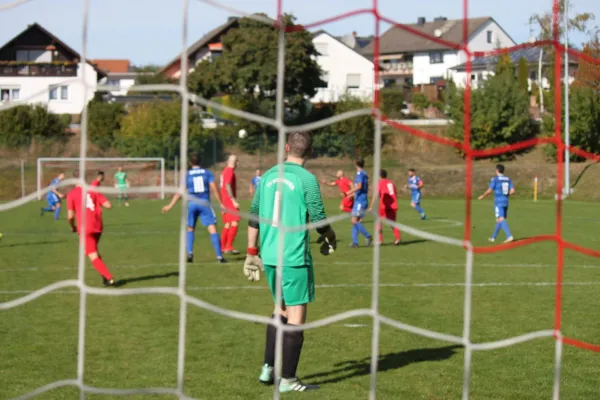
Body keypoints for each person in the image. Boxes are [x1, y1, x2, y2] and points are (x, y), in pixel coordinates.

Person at [244, 131, 336, 393]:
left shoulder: (268, 176)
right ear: (310, 152)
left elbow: (253, 216)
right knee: (296, 316)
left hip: (270, 255)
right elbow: (318, 216)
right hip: (294, 256)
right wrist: (330, 236)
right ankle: (288, 379)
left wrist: (252, 252)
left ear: (286, 148)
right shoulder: (307, 179)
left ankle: (268, 369)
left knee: (280, 310)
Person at [162, 154, 226, 263]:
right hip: (204, 203)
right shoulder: (207, 173)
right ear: (201, 162)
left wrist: (170, 205)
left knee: (190, 228)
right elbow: (215, 189)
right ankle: (219, 256)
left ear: (190, 163)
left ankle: (190, 253)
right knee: (212, 229)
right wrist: (221, 203)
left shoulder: (187, 175)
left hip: (192, 204)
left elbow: (180, 193)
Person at [66, 171, 115, 286]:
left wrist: (72, 226)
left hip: (85, 229)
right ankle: (105, 278)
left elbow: (70, 216)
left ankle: (109, 277)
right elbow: (109, 205)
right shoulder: (93, 190)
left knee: (92, 254)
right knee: (93, 251)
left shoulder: (72, 194)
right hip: (98, 227)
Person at [478, 164, 515, 243]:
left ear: (497, 170)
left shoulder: (495, 179)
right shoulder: (508, 179)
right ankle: (493, 237)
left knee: (501, 219)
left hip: (498, 202)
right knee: (499, 220)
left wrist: (483, 196)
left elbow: (490, 190)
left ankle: (509, 236)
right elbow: (512, 191)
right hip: (506, 201)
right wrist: (506, 195)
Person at [345, 158, 372, 248]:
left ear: (356, 163)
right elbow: (362, 187)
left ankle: (368, 236)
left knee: (353, 220)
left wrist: (349, 192)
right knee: (354, 221)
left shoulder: (360, 174)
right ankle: (355, 242)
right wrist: (352, 194)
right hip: (361, 199)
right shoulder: (364, 173)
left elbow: (359, 186)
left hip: (360, 201)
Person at [369, 169, 401, 245]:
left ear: (379, 176)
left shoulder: (380, 183)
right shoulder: (391, 183)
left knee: (378, 222)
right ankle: (397, 238)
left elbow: (375, 195)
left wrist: (371, 206)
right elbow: (395, 193)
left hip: (384, 205)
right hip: (393, 205)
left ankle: (379, 240)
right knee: (392, 223)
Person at [220, 155, 240, 255]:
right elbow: (227, 185)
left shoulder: (224, 171)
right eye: (235, 161)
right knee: (235, 222)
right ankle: (229, 246)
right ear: (230, 162)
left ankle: (222, 246)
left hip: (225, 200)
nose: (237, 163)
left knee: (228, 223)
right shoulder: (229, 171)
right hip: (228, 201)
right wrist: (233, 200)